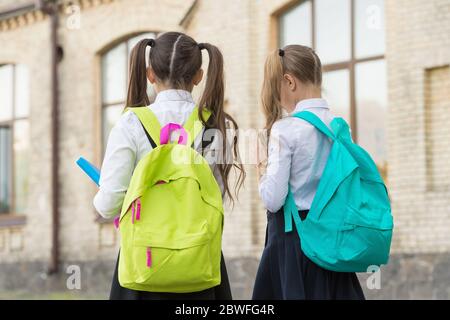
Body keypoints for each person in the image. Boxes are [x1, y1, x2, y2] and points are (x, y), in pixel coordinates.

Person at [93, 31, 244, 300]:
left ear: (150, 74)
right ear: (198, 76)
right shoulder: (215, 126)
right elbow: (214, 197)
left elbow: (107, 205)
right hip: (198, 264)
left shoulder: (130, 124)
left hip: (144, 266)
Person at [253, 45, 365, 300]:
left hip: (295, 248)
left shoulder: (286, 129)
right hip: (332, 245)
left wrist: (261, 168)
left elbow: (273, 199)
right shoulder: (337, 128)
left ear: (289, 82)